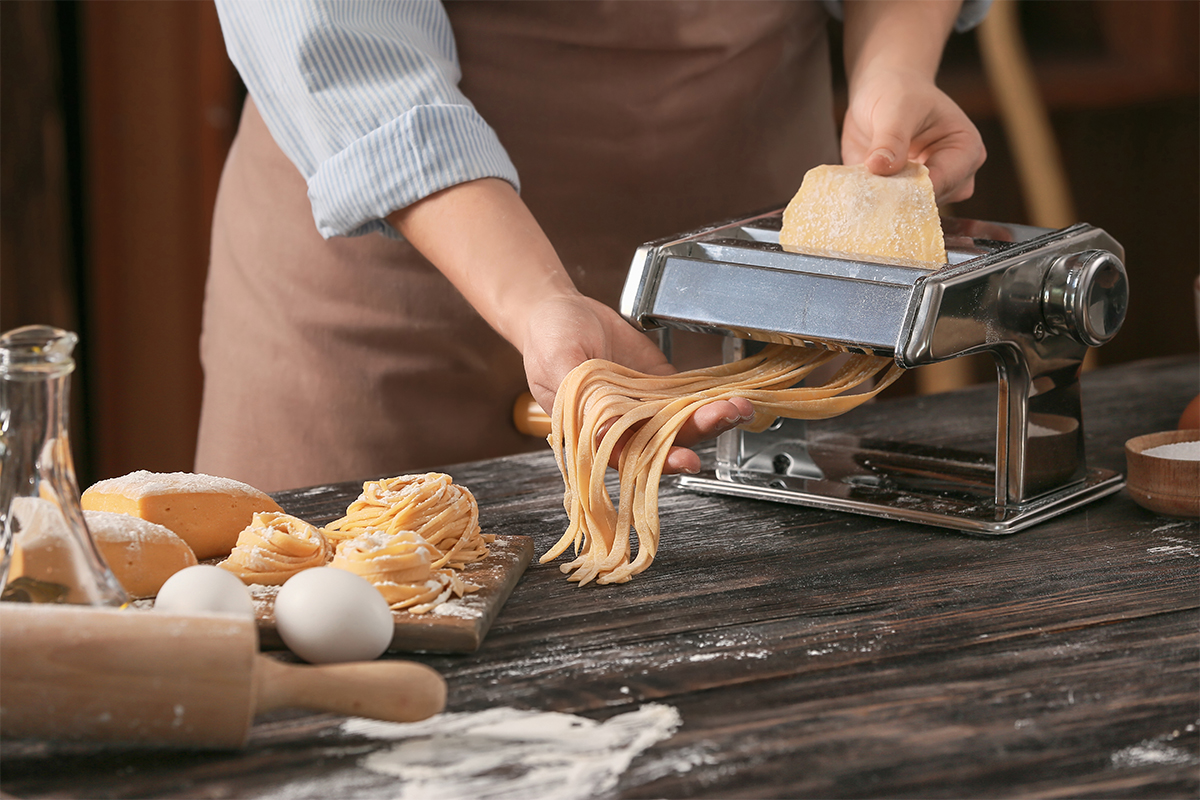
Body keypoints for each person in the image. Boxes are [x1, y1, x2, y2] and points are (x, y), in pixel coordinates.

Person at [196, 0, 988, 492]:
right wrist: (534, 297)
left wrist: (890, 71)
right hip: (390, 276)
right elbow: (339, 38)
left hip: (753, 279)